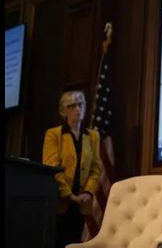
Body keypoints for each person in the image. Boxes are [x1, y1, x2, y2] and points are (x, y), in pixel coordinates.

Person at [42, 90, 102, 248]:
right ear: (64, 110)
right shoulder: (54, 134)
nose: (78, 109)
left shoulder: (93, 136)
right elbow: (51, 167)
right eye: (72, 106)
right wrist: (69, 194)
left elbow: (96, 168)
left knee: (76, 243)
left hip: (82, 202)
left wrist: (88, 192)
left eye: (80, 104)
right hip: (60, 201)